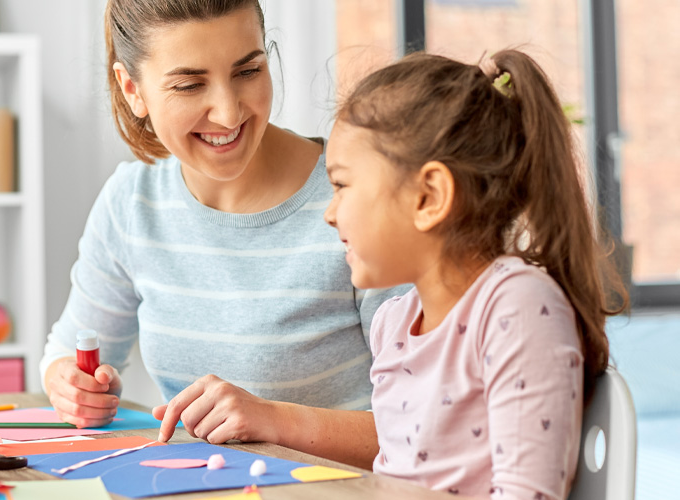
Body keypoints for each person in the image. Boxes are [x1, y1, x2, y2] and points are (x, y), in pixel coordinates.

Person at [40, 0, 405, 460]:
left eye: (248, 71)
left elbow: (433, 428)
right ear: (132, 88)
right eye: (191, 84)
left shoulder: (356, 195)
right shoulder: (133, 203)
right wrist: (69, 384)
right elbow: (68, 352)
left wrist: (276, 420)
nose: (229, 113)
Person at [322, 49, 627, 497]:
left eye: (342, 185)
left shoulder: (516, 306)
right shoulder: (392, 324)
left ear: (429, 196)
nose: (330, 214)